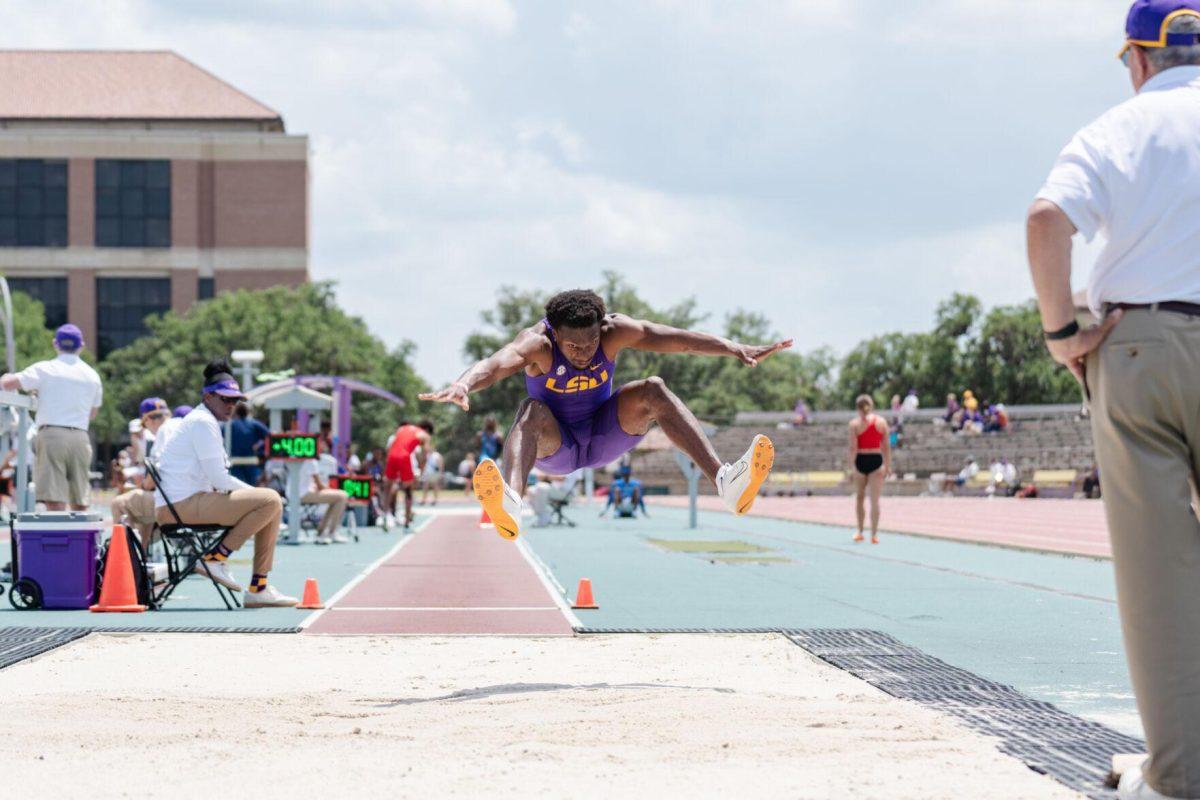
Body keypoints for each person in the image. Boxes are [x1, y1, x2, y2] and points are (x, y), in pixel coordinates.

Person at [1029, 6, 1200, 794]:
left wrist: (1063, 333)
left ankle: (1177, 777)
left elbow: (1046, 220)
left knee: (1159, 576)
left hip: (1140, 345)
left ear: (1137, 57)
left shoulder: (1117, 128)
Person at [420, 290, 787, 539]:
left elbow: (678, 339)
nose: (582, 353)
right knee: (530, 409)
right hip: (556, 446)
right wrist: (464, 384)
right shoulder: (536, 344)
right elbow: (497, 363)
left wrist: (733, 348)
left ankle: (725, 481)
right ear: (554, 335)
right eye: (573, 346)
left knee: (653, 389)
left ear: (602, 328)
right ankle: (512, 502)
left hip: (604, 435)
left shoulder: (615, 331)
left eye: (591, 343)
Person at [153, 358, 297, 607]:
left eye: (235, 400)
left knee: (271, 505)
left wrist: (258, 497)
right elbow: (219, 478)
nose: (231, 405)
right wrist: (258, 495)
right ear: (207, 397)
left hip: (184, 503)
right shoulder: (202, 422)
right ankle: (215, 558)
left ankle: (258, 587)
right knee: (270, 500)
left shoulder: (204, 420)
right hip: (180, 507)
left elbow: (215, 478)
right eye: (225, 399)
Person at [0, 323, 102, 511]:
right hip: (80, 436)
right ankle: (80, 539)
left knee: (54, 497)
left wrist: (8, 376)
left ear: (56, 344)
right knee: (80, 498)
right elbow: (93, 413)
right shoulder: (92, 375)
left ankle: (59, 538)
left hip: (52, 433)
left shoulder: (46, 368)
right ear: (82, 346)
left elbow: (8, 383)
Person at [110, 397, 173, 550]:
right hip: (191, 501)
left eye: (144, 425)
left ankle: (131, 558)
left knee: (119, 503)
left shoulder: (163, 433)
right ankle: (141, 555)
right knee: (142, 505)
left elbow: (152, 479)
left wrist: (144, 486)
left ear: (149, 419)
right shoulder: (180, 427)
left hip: (174, 504)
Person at [847, 395, 889, 544]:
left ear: (857, 408)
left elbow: (853, 448)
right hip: (876, 460)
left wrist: (851, 468)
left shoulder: (854, 424)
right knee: (875, 500)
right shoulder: (882, 422)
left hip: (861, 460)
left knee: (860, 498)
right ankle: (874, 534)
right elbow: (886, 447)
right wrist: (888, 466)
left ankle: (860, 531)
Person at [299, 436, 350, 545]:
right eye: (320, 444)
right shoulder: (311, 460)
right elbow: (320, 486)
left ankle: (322, 530)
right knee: (342, 496)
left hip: (296, 493)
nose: (323, 446)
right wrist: (330, 489)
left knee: (336, 498)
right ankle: (331, 532)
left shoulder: (299, 457)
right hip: (304, 494)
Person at [383, 419, 433, 528]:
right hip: (404, 457)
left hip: (391, 456)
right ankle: (407, 521)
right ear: (427, 430)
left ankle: (385, 515)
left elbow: (391, 446)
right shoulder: (424, 435)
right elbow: (425, 454)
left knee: (388, 487)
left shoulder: (402, 428)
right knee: (408, 490)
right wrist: (421, 470)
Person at [229, 402, 270, 486]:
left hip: (234, 462)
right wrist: (259, 447)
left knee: (237, 490)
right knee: (251, 489)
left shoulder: (230, 424)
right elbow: (270, 436)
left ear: (235, 412)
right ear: (247, 412)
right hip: (251, 461)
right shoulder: (254, 424)